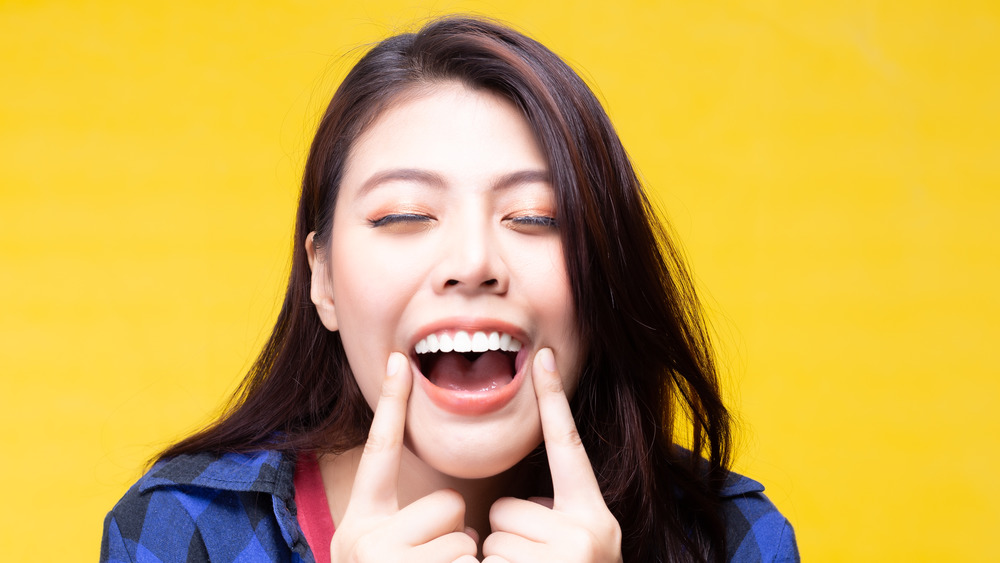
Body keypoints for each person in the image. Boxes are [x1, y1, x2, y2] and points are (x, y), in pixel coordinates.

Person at [101, 16, 798, 563]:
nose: (472, 261)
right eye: (404, 214)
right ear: (324, 280)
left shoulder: (733, 539)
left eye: (537, 218)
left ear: (602, 277)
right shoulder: (179, 532)